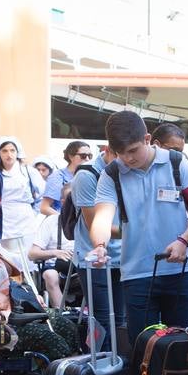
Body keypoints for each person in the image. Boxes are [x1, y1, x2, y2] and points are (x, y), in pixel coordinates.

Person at [87, 110, 188, 375]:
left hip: (180, 273)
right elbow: (103, 216)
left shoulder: (176, 163)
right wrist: (99, 245)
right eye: (122, 153)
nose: (129, 159)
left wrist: (183, 241)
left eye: (134, 151)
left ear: (148, 141)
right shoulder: (112, 173)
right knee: (144, 354)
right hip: (137, 276)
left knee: (179, 353)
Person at [70, 143, 124, 351]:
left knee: (119, 321)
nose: (127, 161)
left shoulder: (128, 169)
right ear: (108, 149)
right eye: (121, 154)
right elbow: (95, 225)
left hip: (124, 257)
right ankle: (96, 365)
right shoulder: (87, 174)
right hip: (93, 259)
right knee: (100, 319)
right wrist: (136, 231)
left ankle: (116, 369)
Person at [0, 136, 45, 254]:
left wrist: (34, 213)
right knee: (6, 253)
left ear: (17, 152)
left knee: (26, 253)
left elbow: (42, 195)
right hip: (3, 218)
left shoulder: (28, 171)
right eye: (4, 151)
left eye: (12, 150)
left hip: (25, 218)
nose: (8, 154)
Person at [40, 140, 93, 216]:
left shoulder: (89, 175)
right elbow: (44, 208)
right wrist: (64, 221)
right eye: (83, 156)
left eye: (90, 156)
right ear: (71, 156)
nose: (87, 159)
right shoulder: (58, 177)